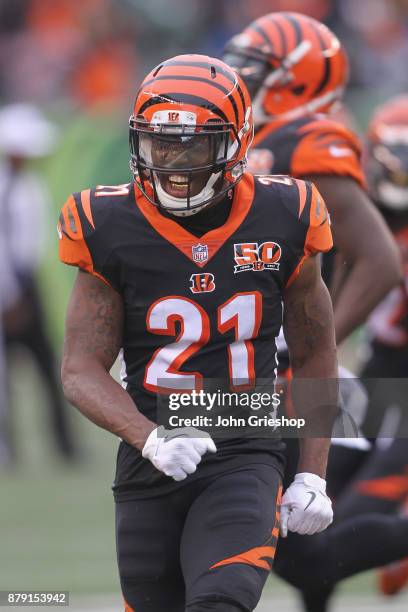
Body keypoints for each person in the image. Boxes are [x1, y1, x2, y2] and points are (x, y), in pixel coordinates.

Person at [59, 54, 338, 612]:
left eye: (193, 145)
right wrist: (150, 437)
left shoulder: (288, 212)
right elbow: (80, 368)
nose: (173, 163)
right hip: (151, 456)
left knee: (221, 600)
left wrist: (312, 474)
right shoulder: (108, 222)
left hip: (246, 446)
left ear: (237, 144)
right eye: (160, 144)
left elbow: (313, 351)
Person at [222, 11, 401, 345]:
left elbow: (380, 260)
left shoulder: (305, 142)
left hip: (280, 351)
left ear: (298, 80)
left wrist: (319, 348)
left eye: (253, 68)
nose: (238, 77)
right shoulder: (257, 139)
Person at [0, 103, 78, 462]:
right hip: (10, 286)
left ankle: (63, 445)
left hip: (26, 282)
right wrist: (10, 295)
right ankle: (9, 446)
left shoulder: (27, 184)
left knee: (47, 367)